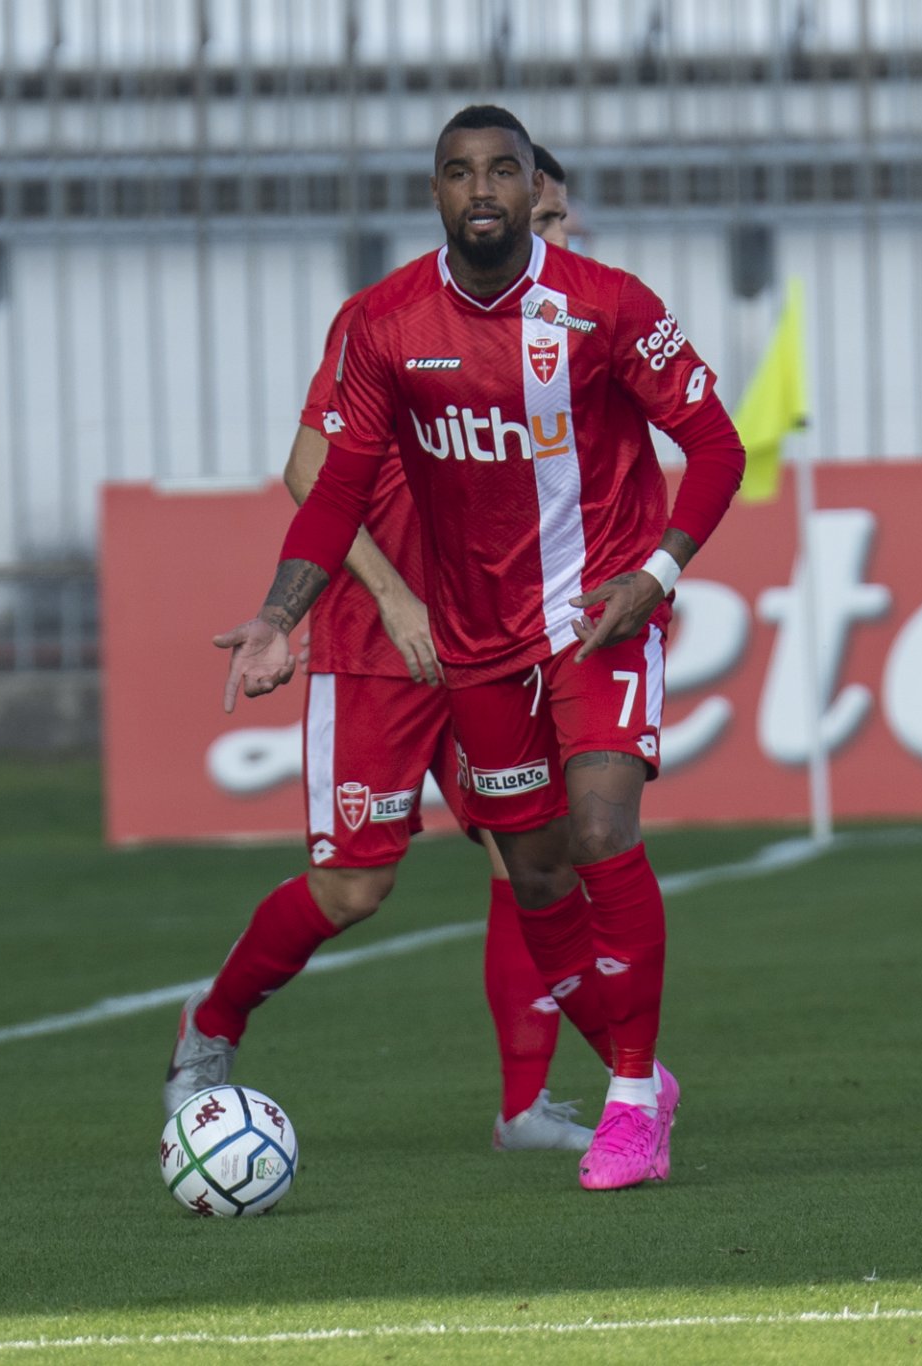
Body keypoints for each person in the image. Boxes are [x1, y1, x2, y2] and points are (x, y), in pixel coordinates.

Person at [214, 104, 746, 1189]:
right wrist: (279, 613)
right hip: (472, 642)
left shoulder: (608, 307)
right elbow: (331, 486)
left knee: (599, 828)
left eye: (505, 169)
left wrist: (657, 573)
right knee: (536, 875)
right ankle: (614, 1077)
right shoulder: (385, 324)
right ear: (438, 193)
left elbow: (718, 444)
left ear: (532, 187)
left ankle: (631, 1105)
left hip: (598, 616)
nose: (487, 190)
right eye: (462, 173)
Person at [164, 161, 598, 1153]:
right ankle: (213, 1020)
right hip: (379, 644)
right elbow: (307, 469)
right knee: (356, 887)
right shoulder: (389, 317)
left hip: (498, 644)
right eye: (545, 219)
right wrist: (397, 599)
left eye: (565, 220)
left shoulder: (570, 330)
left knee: (530, 853)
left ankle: (524, 1106)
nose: (559, 239)